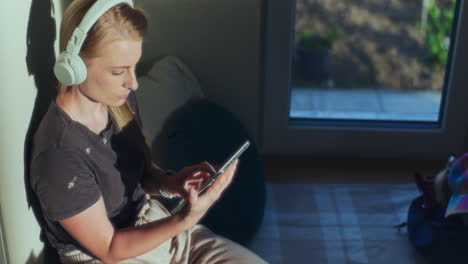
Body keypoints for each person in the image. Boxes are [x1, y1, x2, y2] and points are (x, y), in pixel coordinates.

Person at [29, 0, 268, 263]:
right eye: (119, 71)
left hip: (155, 226)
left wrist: (170, 183)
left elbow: (141, 175)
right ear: (74, 66)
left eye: (134, 66)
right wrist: (185, 218)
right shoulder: (59, 156)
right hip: (113, 253)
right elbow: (110, 249)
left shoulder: (118, 103)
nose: (133, 83)